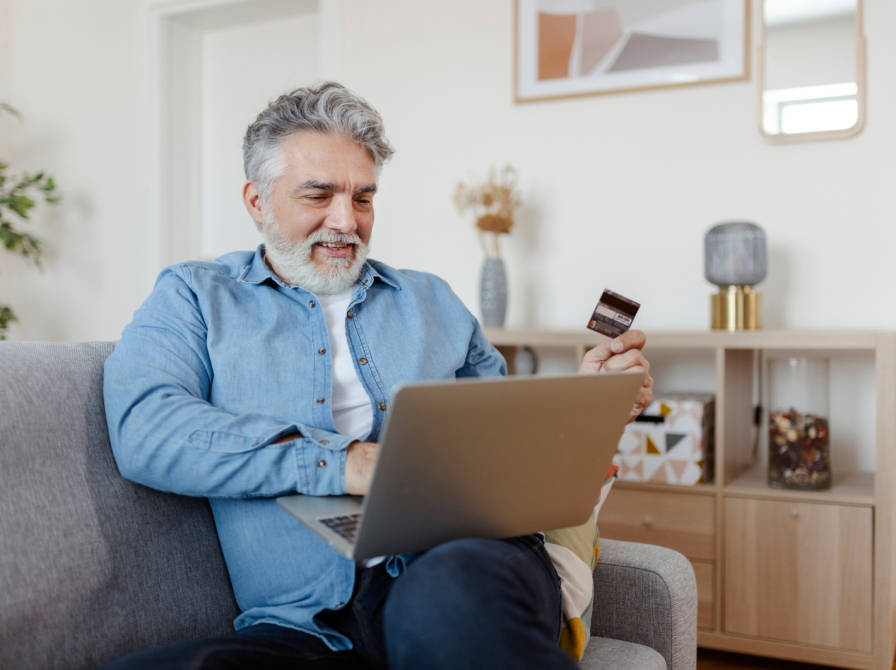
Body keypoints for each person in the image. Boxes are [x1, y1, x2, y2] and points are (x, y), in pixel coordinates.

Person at [100, 82, 653, 670]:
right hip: (305, 627)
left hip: (463, 568)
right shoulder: (194, 297)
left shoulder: (432, 301)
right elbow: (146, 429)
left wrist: (588, 402)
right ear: (257, 201)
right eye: (319, 195)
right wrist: (346, 461)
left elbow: (506, 456)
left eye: (363, 198)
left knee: (447, 604)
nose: (346, 221)